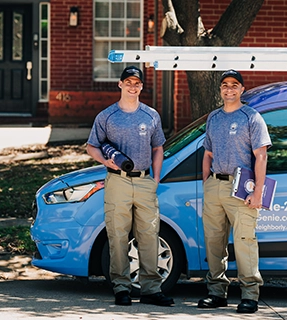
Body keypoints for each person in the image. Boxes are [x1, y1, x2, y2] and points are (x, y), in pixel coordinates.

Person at [86, 66, 173, 307]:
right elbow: (92, 146)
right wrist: (105, 161)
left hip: (145, 181)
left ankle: (151, 289)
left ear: (142, 86)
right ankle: (122, 288)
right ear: (120, 84)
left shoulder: (151, 115)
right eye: (128, 82)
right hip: (118, 181)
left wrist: (155, 179)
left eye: (137, 83)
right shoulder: (107, 116)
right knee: (118, 235)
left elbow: (158, 148)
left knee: (149, 235)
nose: (132, 86)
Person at [197, 69, 272, 314]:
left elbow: (261, 155)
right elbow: (208, 152)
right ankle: (216, 292)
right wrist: (206, 180)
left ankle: (250, 294)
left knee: (244, 242)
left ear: (241, 89)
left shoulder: (251, 117)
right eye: (225, 85)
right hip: (215, 186)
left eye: (234, 85)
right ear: (220, 89)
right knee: (214, 242)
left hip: (242, 188)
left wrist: (258, 191)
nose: (229, 89)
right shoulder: (214, 118)